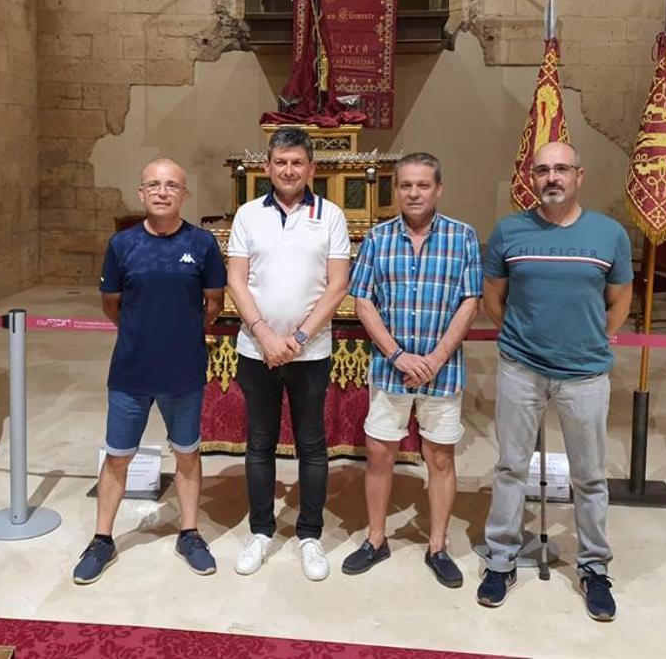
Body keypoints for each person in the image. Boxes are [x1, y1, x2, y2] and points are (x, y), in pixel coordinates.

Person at [479, 141, 632, 622]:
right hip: (521, 370)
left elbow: (620, 296)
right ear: (532, 176)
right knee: (510, 467)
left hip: (584, 374)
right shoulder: (510, 231)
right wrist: (520, 342)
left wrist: (599, 338)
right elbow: (493, 298)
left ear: (579, 176)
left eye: (561, 169)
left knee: (590, 476)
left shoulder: (609, 235)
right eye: (543, 169)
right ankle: (501, 559)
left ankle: (593, 568)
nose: (552, 178)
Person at [72, 158, 226, 584]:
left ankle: (190, 534)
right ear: (141, 193)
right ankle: (102, 539)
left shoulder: (203, 243)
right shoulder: (122, 245)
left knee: (188, 453)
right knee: (118, 456)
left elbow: (213, 302)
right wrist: (141, 332)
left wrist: (181, 333)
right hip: (132, 370)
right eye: (154, 185)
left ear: (184, 194)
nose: (162, 192)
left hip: (184, 369)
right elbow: (111, 303)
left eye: (172, 185)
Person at [342, 153, 481, 588]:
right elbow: (362, 301)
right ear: (395, 189)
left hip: (443, 371)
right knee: (380, 454)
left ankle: (437, 546)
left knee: (440, 456)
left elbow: (471, 301)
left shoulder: (463, 238)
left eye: (423, 185)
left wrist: (436, 358)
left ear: (438, 189)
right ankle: (376, 538)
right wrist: (397, 354)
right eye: (406, 185)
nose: (414, 193)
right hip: (390, 370)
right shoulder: (378, 238)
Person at [226, 127, 351, 581]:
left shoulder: (331, 215)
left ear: (311, 168)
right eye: (281, 162)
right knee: (259, 442)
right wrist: (263, 334)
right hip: (255, 350)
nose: (289, 170)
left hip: (311, 351)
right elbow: (237, 280)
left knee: (311, 444)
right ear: (267, 167)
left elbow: (338, 284)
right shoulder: (247, 215)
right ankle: (261, 531)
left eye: (297, 162)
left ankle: (310, 535)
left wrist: (296, 339)